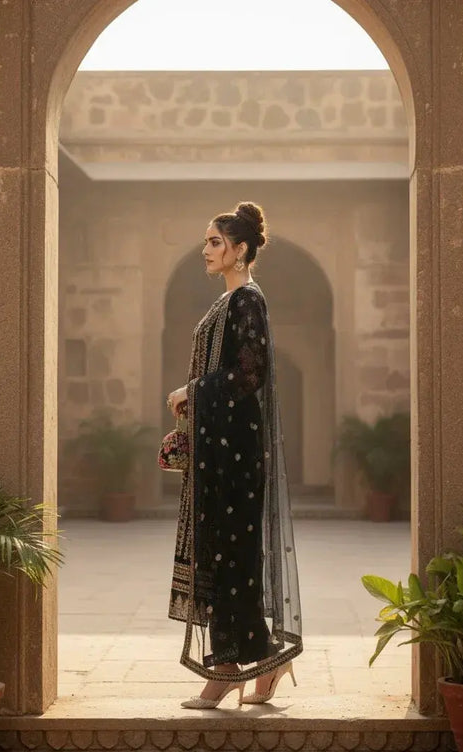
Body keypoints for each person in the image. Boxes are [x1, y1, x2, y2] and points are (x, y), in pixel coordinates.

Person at [166, 201, 303, 709]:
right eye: (206, 241)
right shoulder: (228, 301)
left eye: (215, 242)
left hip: (236, 453)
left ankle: (227, 670)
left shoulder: (247, 300)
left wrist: (192, 390)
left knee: (231, 556)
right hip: (219, 448)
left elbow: (249, 374)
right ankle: (266, 660)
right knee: (226, 555)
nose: (205, 250)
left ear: (240, 249)